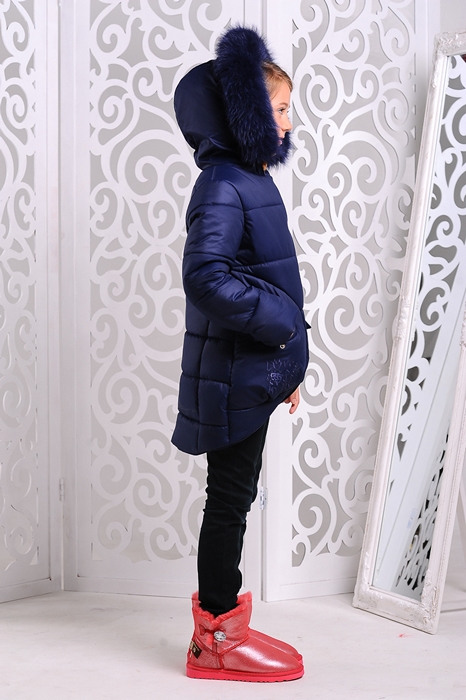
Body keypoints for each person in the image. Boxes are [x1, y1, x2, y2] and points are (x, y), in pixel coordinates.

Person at [172, 26, 309, 682]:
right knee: (228, 500)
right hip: (231, 374)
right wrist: (283, 328)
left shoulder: (248, 178)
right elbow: (206, 276)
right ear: (245, 115)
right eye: (278, 109)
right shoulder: (223, 184)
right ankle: (216, 640)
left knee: (236, 495)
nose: (289, 122)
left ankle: (223, 630)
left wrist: (285, 365)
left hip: (249, 373)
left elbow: (260, 274)